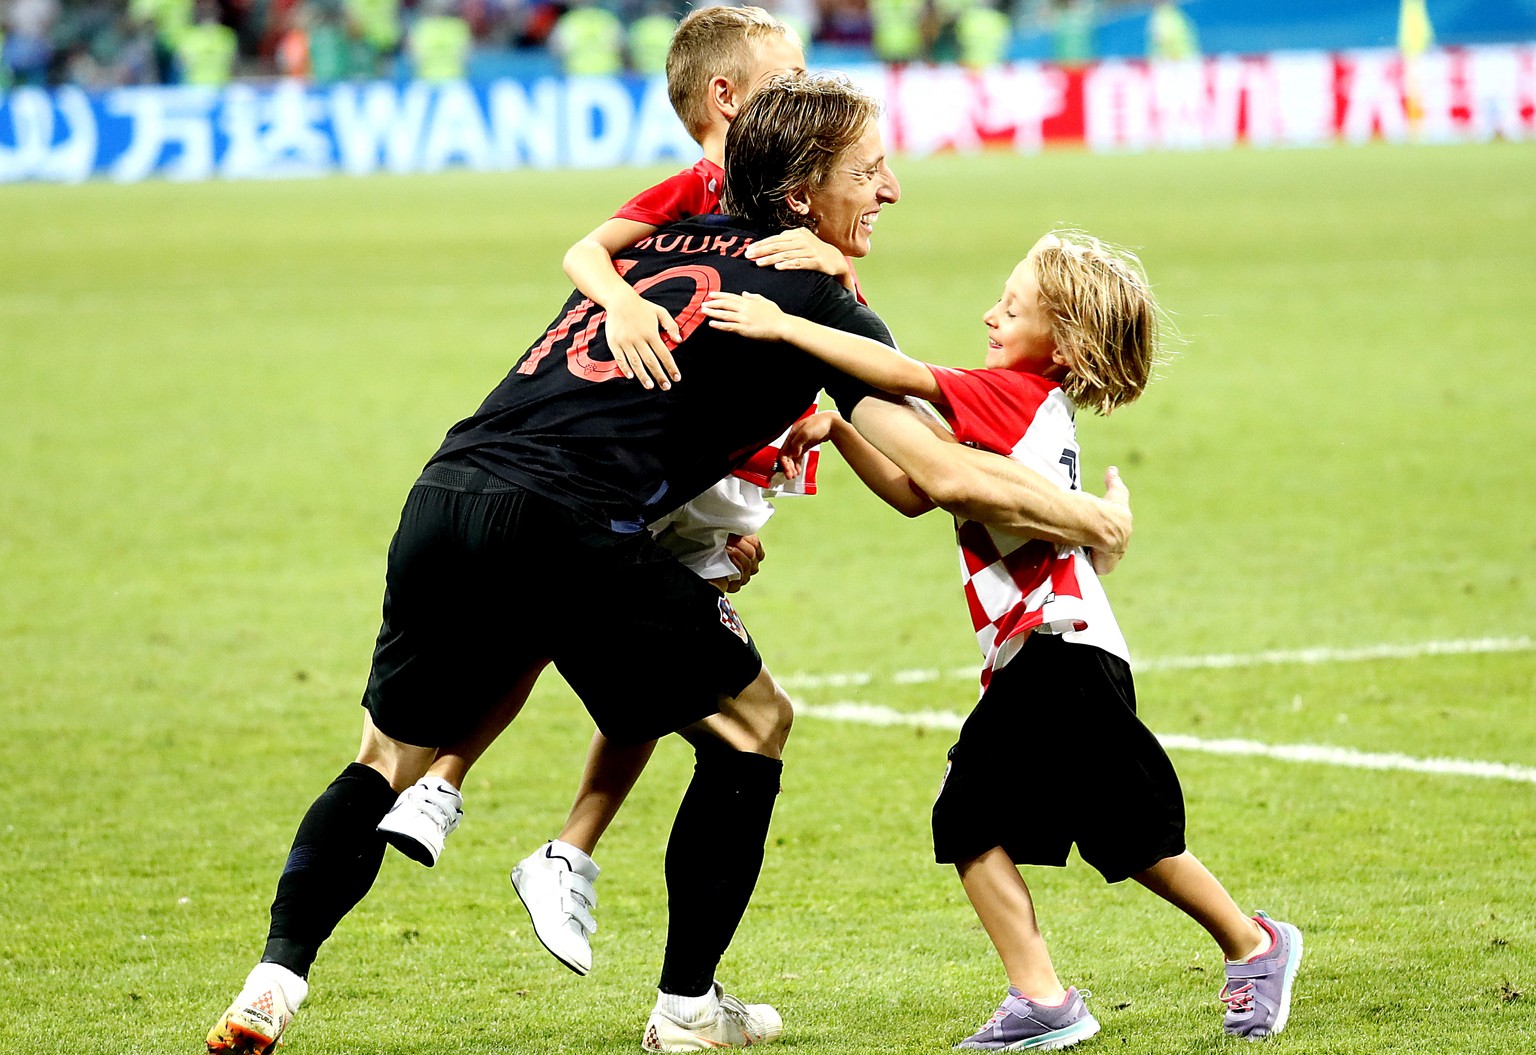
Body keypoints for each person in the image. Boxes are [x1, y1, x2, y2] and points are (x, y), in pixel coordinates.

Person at [204, 73, 1135, 1055]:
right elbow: (942, 476)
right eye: (869, 172)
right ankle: (688, 1006)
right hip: (570, 521)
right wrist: (1091, 520)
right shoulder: (822, 298)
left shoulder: (658, 245)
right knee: (754, 721)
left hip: (447, 492)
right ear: (799, 197)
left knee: (383, 759)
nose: (891, 191)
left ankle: (274, 979)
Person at [701, 229, 1304, 1048]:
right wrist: (840, 435)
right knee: (1101, 832)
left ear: (1062, 340)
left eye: (1011, 307)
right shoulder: (1022, 405)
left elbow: (898, 375)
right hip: (1053, 650)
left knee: (1003, 820)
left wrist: (789, 326)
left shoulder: (1010, 394)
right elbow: (921, 490)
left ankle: (1125, 978)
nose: (990, 314)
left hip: (1059, 646)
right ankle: (1157, 967)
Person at [372, 4, 827, 981]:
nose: (805, 98)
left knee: (639, 652)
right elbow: (589, 251)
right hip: (640, 453)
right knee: (585, 606)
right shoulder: (703, 190)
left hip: (710, 459)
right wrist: (618, 298)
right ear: (728, 97)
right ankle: (482, 798)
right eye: (786, 81)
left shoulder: (784, 199)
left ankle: (546, 838)